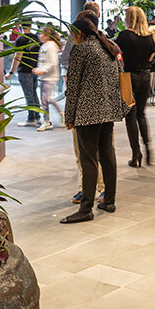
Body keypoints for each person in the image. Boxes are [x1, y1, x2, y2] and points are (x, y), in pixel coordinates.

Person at [60, 17, 128, 224]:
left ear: (79, 33)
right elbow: (120, 76)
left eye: (72, 34)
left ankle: (85, 208)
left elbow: (73, 88)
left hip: (87, 113)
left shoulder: (81, 50)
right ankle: (109, 200)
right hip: (107, 110)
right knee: (107, 155)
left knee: (89, 160)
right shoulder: (109, 46)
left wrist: (69, 116)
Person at [115, 6, 155, 167]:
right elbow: (152, 55)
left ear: (129, 18)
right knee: (141, 114)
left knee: (130, 116)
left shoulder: (125, 36)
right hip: (145, 76)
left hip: (128, 77)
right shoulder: (149, 36)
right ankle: (148, 147)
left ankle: (136, 153)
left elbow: (116, 53)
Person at [6, 21, 41, 127]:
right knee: (33, 94)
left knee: (29, 95)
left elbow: (18, 56)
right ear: (31, 25)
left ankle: (31, 119)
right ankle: (37, 117)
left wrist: (11, 72)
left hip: (25, 71)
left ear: (21, 25)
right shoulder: (36, 38)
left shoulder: (20, 39)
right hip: (35, 69)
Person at [32, 26, 64, 131]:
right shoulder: (46, 45)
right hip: (45, 77)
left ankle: (47, 120)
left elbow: (53, 63)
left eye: (42, 34)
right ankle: (55, 117)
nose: (39, 36)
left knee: (46, 99)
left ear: (47, 36)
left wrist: (42, 70)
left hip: (49, 77)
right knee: (46, 99)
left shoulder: (50, 47)